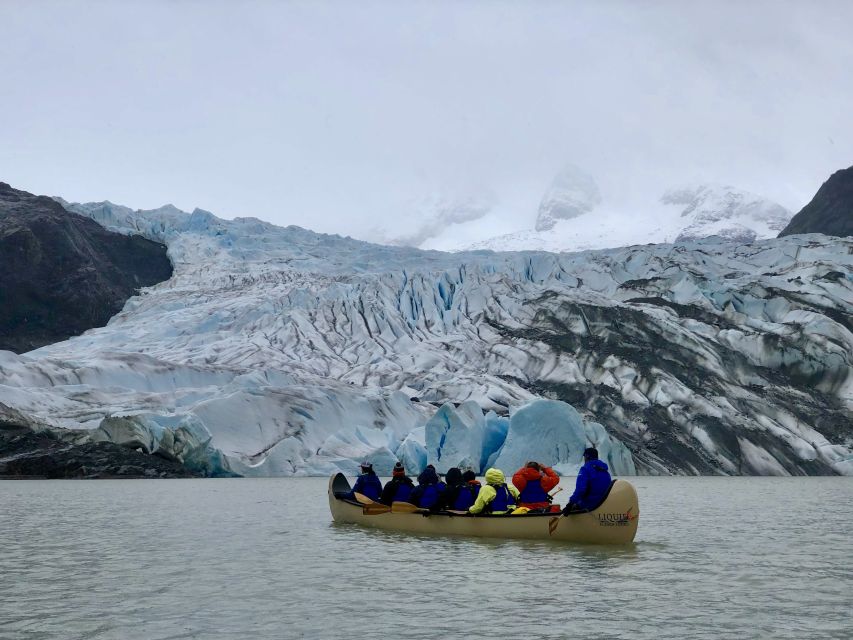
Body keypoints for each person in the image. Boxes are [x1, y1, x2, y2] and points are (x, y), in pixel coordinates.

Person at [562, 448, 612, 514]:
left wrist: (570, 504)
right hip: (603, 503)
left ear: (587, 456)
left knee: (573, 507)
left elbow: (580, 490)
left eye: (584, 456)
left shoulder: (585, 469)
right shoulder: (604, 470)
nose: (584, 458)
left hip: (589, 505)